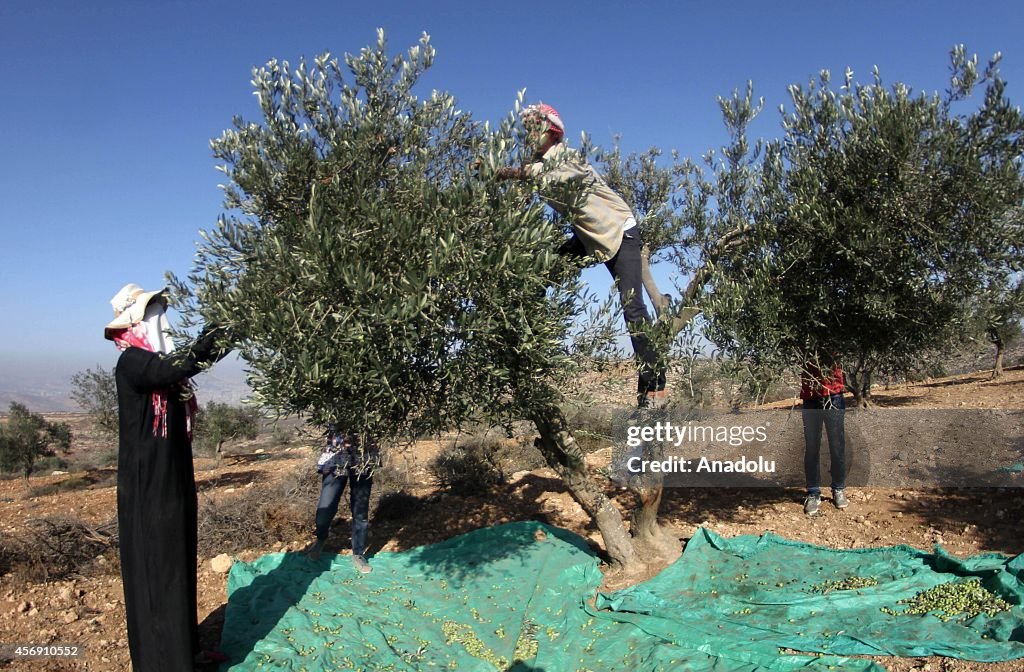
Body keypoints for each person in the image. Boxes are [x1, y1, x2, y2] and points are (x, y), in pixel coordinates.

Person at [497, 103, 666, 408]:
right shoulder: (540, 162)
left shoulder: (565, 156)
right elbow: (530, 184)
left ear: (552, 131)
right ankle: (526, 343)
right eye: (527, 128)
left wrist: (505, 172)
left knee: (633, 308)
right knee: (541, 272)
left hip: (619, 232)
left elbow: (537, 174)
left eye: (535, 127)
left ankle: (655, 385)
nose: (529, 133)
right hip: (590, 238)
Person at [104, 283, 231, 671]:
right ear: (135, 323)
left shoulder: (163, 373)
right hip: (149, 491)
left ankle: (185, 651)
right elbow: (180, 364)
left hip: (172, 483)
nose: (163, 320)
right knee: (157, 572)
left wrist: (230, 325)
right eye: (154, 313)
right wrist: (214, 331)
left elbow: (192, 363)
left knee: (177, 567)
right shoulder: (134, 363)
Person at [305, 426, 378, 573]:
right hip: (336, 455)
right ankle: (321, 538)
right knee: (326, 506)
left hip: (363, 456)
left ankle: (358, 553)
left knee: (360, 509)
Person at [800, 357, 849, 516]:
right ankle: (813, 493)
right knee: (812, 447)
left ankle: (838, 489)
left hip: (834, 394)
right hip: (810, 396)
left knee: (837, 445)